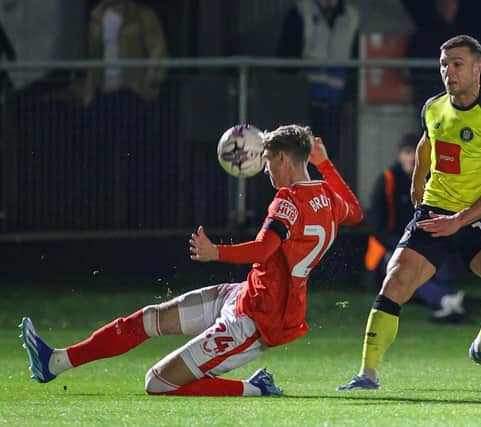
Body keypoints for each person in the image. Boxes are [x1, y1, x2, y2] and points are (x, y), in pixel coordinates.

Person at [20, 125, 363, 397]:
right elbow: (356, 212)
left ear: (285, 158)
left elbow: (262, 250)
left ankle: (256, 389)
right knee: (150, 318)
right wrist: (325, 163)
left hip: (257, 321)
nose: (266, 170)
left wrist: (217, 252)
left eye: (269, 160)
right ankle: (57, 361)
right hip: (245, 296)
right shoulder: (327, 196)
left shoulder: (287, 201)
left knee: (158, 382)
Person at [338, 34, 481, 390]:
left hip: (479, 216)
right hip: (436, 212)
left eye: (456, 64)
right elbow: (426, 144)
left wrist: (460, 220)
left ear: (477, 68)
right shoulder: (433, 107)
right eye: (443, 65)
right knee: (395, 281)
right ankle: (367, 374)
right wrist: (417, 182)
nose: (448, 72)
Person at [365, 133, 465, 322]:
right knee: (404, 266)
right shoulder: (387, 181)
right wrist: (399, 245)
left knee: (440, 258)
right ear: (400, 155)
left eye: (414, 152)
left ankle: (447, 300)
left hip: (421, 242)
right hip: (389, 249)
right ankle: (445, 301)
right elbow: (376, 226)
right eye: (407, 152)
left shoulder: (431, 181)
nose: (411, 157)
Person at [277, 0, 359, 168]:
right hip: (303, 103)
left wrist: (350, 97)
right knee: (298, 154)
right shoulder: (301, 12)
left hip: (335, 104)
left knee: (329, 157)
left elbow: (355, 60)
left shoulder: (350, 17)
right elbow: (285, 56)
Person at [82, 0, 168, 105]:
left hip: (133, 89)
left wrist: (152, 79)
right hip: (101, 88)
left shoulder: (143, 15)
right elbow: (90, 51)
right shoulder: (96, 16)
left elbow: (157, 48)